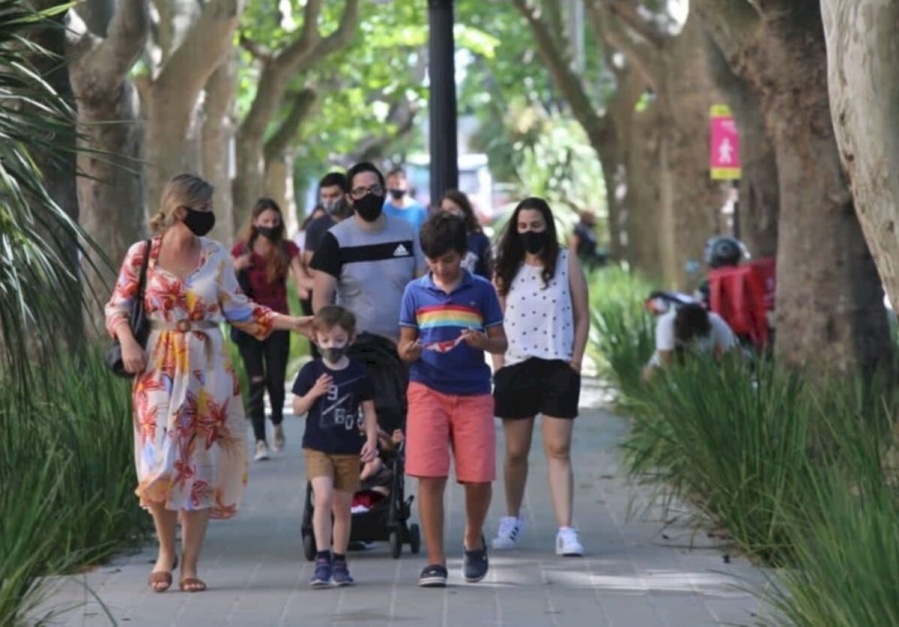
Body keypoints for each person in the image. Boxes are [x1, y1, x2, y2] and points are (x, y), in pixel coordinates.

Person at [104, 173, 312, 594]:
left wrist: (295, 323)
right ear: (181, 211)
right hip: (156, 367)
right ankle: (167, 550)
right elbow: (117, 306)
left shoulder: (216, 256)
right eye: (203, 208)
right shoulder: (142, 253)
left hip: (206, 367)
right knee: (159, 464)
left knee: (198, 466)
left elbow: (240, 309)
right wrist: (127, 341)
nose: (210, 216)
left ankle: (190, 564)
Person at [398, 213, 507, 587]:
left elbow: (501, 341)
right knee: (429, 475)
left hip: (473, 390)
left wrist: (485, 343)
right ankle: (434, 560)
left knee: (478, 477)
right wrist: (408, 351)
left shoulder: (481, 291)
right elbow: (404, 343)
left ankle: (473, 539)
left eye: (448, 260)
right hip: (426, 388)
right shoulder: (415, 291)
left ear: (463, 255)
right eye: (433, 261)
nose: (441, 268)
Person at [490, 197, 591, 557]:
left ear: (547, 225)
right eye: (522, 227)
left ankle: (566, 529)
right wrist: (498, 366)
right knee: (516, 451)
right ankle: (511, 518)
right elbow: (495, 322)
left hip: (557, 366)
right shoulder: (505, 268)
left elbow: (582, 314)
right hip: (516, 367)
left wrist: (575, 362)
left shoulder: (566, 261)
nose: (529, 232)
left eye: (535, 225)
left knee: (558, 449)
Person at [292, 305, 379, 587]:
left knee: (343, 507)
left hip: (348, 447)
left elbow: (369, 410)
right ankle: (322, 557)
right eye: (326, 341)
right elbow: (297, 408)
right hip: (317, 446)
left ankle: (340, 560)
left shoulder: (358, 373)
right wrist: (314, 392)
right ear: (316, 339)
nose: (332, 347)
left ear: (350, 340)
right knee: (323, 498)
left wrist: (372, 441)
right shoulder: (311, 370)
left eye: (339, 341)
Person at [310, 161, 426, 343]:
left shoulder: (409, 232)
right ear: (349, 198)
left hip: (406, 344)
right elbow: (321, 302)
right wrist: (333, 341)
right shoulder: (334, 239)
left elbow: (423, 288)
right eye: (360, 191)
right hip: (356, 348)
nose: (368, 195)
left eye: (374, 188)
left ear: (384, 192)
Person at [231, 198, 304, 462]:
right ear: (254, 222)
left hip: (278, 322)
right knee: (255, 380)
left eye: (275, 222)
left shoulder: (286, 249)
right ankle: (260, 440)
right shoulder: (240, 251)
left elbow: (302, 279)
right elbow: (222, 284)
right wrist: (236, 266)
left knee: (275, 380)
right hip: (248, 324)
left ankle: (276, 423)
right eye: (265, 222)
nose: (270, 226)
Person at [640, 302, 740, 382]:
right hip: (675, 367)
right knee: (650, 375)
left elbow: (736, 354)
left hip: (707, 365)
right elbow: (666, 362)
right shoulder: (666, 323)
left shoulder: (715, 322)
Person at [300, 172, 351, 318]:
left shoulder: (360, 222)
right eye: (325, 196)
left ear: (346, 194)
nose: (329, 201)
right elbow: (311, 267)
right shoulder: (315, 227)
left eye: (334, 195)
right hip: (329, 299)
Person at [439, 189, 493, 280]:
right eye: (444, 211)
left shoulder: (479, 240)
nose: (447, 214)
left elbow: (488, 271)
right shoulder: (438, 240)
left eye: (452, 209)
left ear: (464, 211)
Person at [382, 166, 428, 233]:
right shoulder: (383, 210)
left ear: (406, 184)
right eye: (391, 184)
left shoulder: (419, 210)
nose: (395, 187)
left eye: (398, 183)